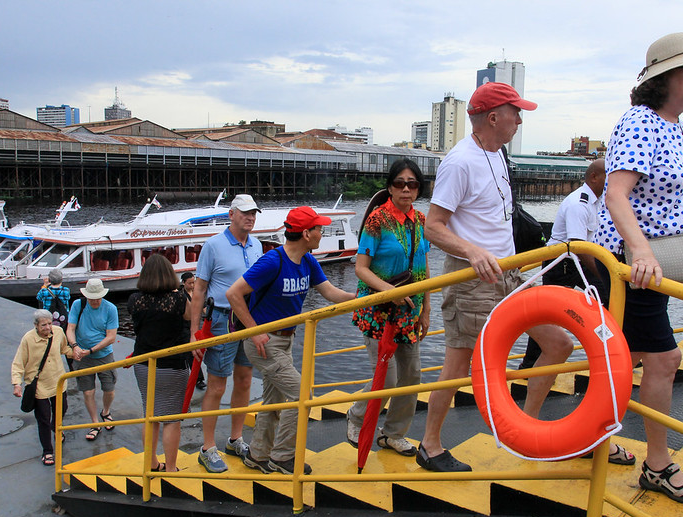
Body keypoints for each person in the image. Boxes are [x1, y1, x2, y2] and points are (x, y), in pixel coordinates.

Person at [418, 82, 574, 472]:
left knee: (558, 345)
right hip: (472, 275)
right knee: (458, 363)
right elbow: (433, 227)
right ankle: (430, 445)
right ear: (493, 117)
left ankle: (527, 427)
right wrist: (472, 251)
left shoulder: (498, 154)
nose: (520, 119)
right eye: (515, 112)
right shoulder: (460, 161)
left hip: (509, 272)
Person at [592, 32, 683, 505]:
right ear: (665, 76)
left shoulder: (677, 127)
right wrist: (640, 251)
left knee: (632, 358)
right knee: (665, 359)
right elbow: (616, 193)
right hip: (633, 267)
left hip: (659, 263)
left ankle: (594, 437)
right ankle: (658, 465)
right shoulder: (641, 121)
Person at [227, 206, 355, 475]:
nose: (322, 232)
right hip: (263, 342)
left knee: (274, 401)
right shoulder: (273, 261)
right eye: (319, 228)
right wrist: (253, 330)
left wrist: (362, 299)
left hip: (284, 340)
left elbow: (330, 293)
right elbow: (233, 294)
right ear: (306, 233)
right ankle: (283, 457)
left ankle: (259, 455)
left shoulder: (308, 261)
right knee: (301, 395)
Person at [346, 158, 431, 457]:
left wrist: (427, 309)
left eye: (412, 184)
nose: (406, 189)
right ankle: (356, 417)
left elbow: (424, 266)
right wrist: (388, 292)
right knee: (387, 377)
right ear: (390, 187)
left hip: (410, 311)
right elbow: (361, 268)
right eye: (400, 183)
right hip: (380, 311)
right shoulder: (377, 221)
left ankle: (394, 433)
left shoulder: (420, 220)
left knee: (412, 376)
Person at [190, 194, 263, 473]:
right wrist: (195, 332)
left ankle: (235, 439)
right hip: (220, 317)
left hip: (247, 317)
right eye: (245, 213)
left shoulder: (256, 245)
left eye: (253, 213)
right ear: (231, 214)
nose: (250, 217)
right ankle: (207, 447)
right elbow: (199, 289)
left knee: (244, 380)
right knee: (217, 384)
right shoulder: (213, 245)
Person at [519, 159, 607, 370]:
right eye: (609, 175)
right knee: (550, 314)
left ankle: (611, 356)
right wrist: (604, 274)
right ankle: (529, 365)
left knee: (610, 303)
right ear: (594, 177)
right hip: (564, 263)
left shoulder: (598, 201)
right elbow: (578, 245)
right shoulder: (579, 204)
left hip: (577, 261)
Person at [128, 255, 194, 473]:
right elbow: (192, 317)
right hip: (172, 364)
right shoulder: (178, 300)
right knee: (172, 418)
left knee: (150, 415)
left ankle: (152, 464)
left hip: (143, 362)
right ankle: (171, 468)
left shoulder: (135, 300)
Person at [11, 309, 73, 466]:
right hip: (39, 386)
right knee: (43, 418)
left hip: (58, 381)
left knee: (62, 409)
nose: (48, 328)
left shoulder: (58, 332)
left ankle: (56, 427)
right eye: (44, 325)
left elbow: (64, 349)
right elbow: (18, 363)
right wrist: (16, 384)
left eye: (50, 323)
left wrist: (76, 353)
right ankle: (47, 450)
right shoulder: (28, 339)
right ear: (36, 326)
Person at [66, 278, 119, 442]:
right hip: (83, 356)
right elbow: (70, 328)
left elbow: (111, 337)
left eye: (97, 297)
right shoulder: (78, 305)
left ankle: (106, 411)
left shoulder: (110, 308)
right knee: (88, 391)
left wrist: (91, 350)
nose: (94, 301)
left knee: (109, 389)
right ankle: (95, 423)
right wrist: (75, 346)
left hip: (103, 355)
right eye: (91, 298)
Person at [180, 271, 206, 391]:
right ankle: (198, 379)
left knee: (193, 353)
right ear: (183, 283)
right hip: (184, 327)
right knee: (191, 353)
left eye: (193, 282)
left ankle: (197, 378)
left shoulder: (197, 293)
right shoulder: (181, 296)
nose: (192, 285)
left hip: (195, 325)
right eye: (189, 283)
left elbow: (204, 307)